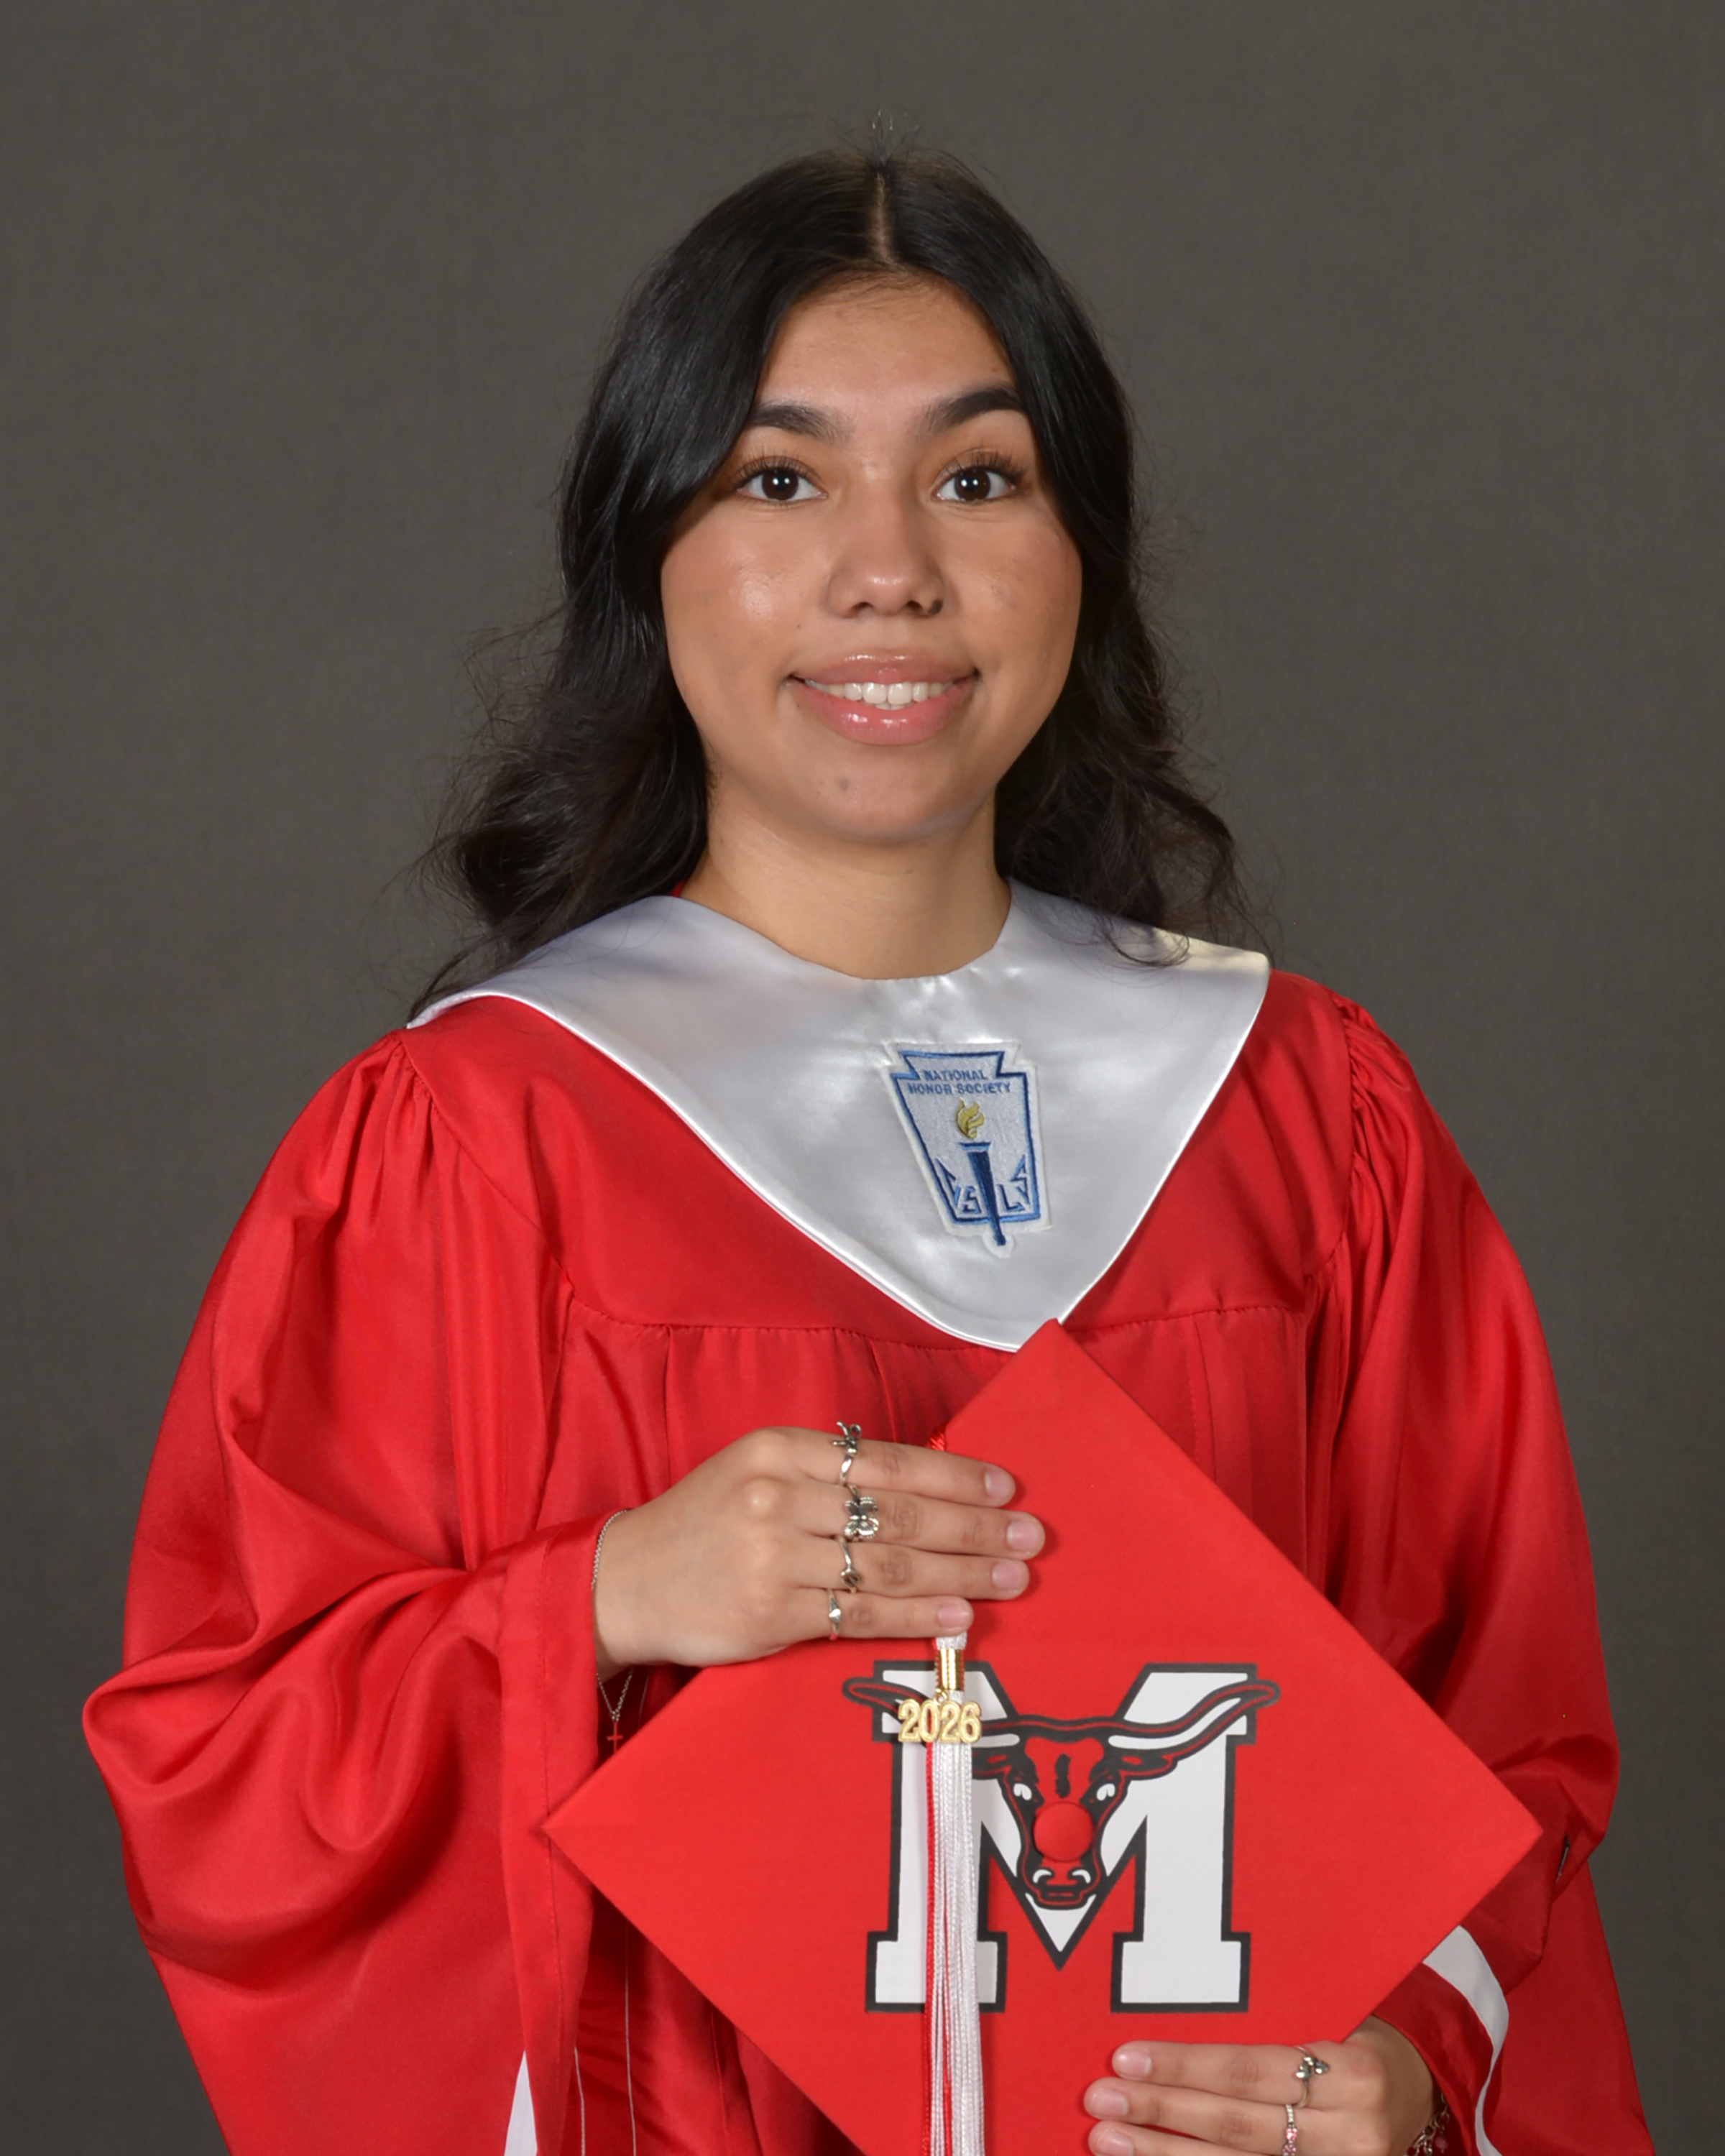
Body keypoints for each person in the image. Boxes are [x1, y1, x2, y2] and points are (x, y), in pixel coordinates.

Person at [85, 146, 1650, 2156]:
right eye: (780, 479)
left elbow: (1501, 1742)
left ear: (1083, 554)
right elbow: (226, 1768)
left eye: (978, 479)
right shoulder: (480, 1143)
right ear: (649, 555)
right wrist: (600, 1599)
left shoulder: (1299, 1117)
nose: (889, 568)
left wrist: (1412, 2072)